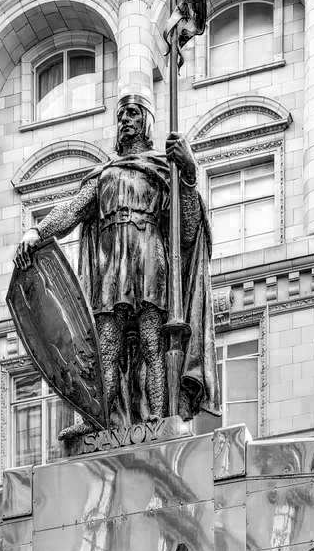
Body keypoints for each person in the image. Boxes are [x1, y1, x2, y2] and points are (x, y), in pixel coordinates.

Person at [14, 95, 216, 435]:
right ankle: (94, 421)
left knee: (154, 344)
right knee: (104, 348)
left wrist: (190, 172)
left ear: (147, 124)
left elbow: (189, 225)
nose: (125, 120)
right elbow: (73, 210)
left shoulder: (162, 169)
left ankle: (157, 417)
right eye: (121, 115)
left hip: (151, 261)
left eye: (133, 113)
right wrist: (38, 230)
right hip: (111, 267)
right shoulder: (105, 174)